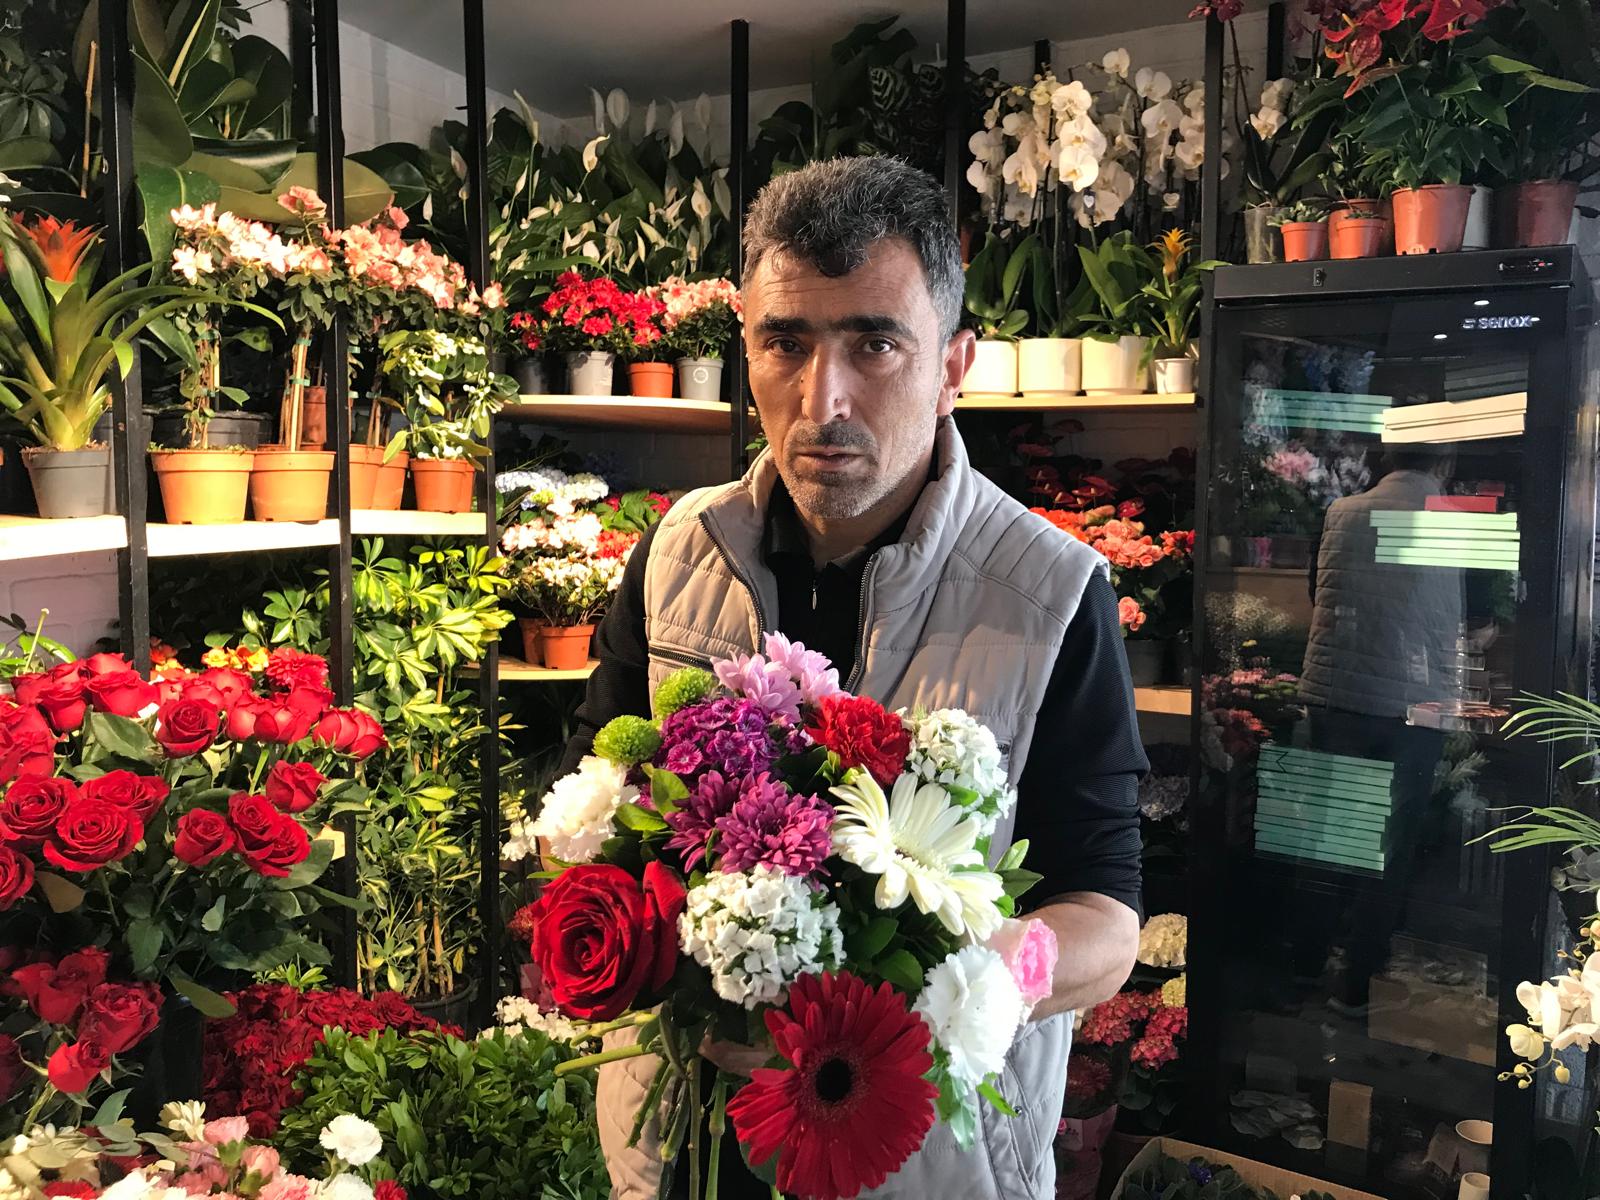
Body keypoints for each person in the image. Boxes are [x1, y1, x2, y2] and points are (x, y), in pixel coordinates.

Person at [553, 156, 1145, 1200]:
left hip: (926, 1161)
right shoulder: (676, 554)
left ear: (954, 364)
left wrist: (946, 993)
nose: (822, 399)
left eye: (875, 343)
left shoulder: (1050, 592)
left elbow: (1105, 918)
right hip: (691, 1146)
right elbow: (598, 805)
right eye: (787, 342)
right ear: (746, 347)